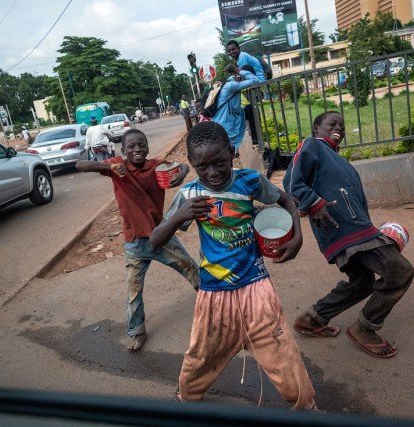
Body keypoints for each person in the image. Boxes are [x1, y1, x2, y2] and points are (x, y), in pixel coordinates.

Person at [149, 122, 317, 410]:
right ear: (192, 165)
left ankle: (306, 408)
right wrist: (180, 216)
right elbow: (155, 239)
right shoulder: (189, 195)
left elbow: (287, 200)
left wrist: (297, 236)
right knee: (202, 355)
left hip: (256, 285)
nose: (212, 173)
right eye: (203, 167)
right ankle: (186, 400)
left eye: (220, 163)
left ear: (231, 153)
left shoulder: (250, 181)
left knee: (282, 350)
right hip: (214, 291)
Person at [283, 111, 414, 359]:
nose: (339, 127)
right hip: (345, 229)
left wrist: (376, 231)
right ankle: (364, 329)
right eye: (332, 123)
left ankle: (313, 319)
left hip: (357, 228)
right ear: (316, 129)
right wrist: (314, 203)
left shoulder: (340, 161)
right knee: (400, 271)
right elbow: (292, 181)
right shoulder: (312, 145)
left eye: (342, 125)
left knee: (362, 282)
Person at [76, 128, 200, 351]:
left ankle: (215, 305)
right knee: (134, 291)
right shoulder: (117, 167)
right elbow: (80, 165)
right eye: (131, 146)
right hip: (134, 241)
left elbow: (183, 165)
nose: (137, 149)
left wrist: (180, 175)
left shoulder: (156, 165)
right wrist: (108, 166)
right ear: (123, 151)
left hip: (161, 235)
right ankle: (137, 331)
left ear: (148, 147)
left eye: (141, 144)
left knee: (191, 268)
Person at [211, 64, 259, 156]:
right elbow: (254, 80)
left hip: (223, 122)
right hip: (225, 124)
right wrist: (237, 70)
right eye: (246, 76)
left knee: (227, 153)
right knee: (226, 154)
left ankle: (254, 140)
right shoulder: (231, 85)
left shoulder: (227, 84)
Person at [226, 40, 266, 146]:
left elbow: (244, 75)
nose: (231, 52)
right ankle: (255, 138)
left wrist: (234, 72)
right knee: (251, 111)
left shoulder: (242, 57)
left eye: (233, 49)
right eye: (229, 51)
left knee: (250, 112)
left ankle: (257, 140)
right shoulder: (240, 59)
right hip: (253, 86)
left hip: (256, 84)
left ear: (239, 49)